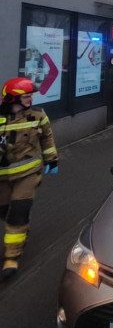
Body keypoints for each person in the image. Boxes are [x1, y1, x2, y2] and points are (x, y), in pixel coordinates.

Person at [0, 78, 58, 280]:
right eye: (26, 97)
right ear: (11, 98)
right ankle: (21, 229)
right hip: (3, 177)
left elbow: (47, 137)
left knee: (18, 212)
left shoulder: (37, 115)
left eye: (30, 96)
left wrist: (52, 159)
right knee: (4, 211)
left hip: (28, 173)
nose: (29, 100)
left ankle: (11, 257)